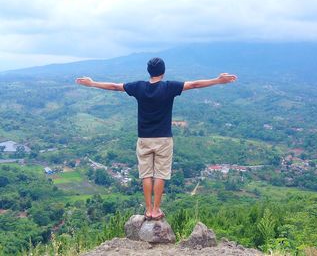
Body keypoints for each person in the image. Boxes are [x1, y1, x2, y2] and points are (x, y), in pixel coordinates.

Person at [76, 57, 237, 220]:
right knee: (160, 174)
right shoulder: (169, 87)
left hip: (144, 138)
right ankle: (156, 210)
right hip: (164, 139)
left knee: (146, 174)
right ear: (163, 71)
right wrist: (218, 80)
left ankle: (147, 209)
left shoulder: (139, 87)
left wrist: (92, 83)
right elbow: (194, 84)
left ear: (149, 72)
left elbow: (115, 87)